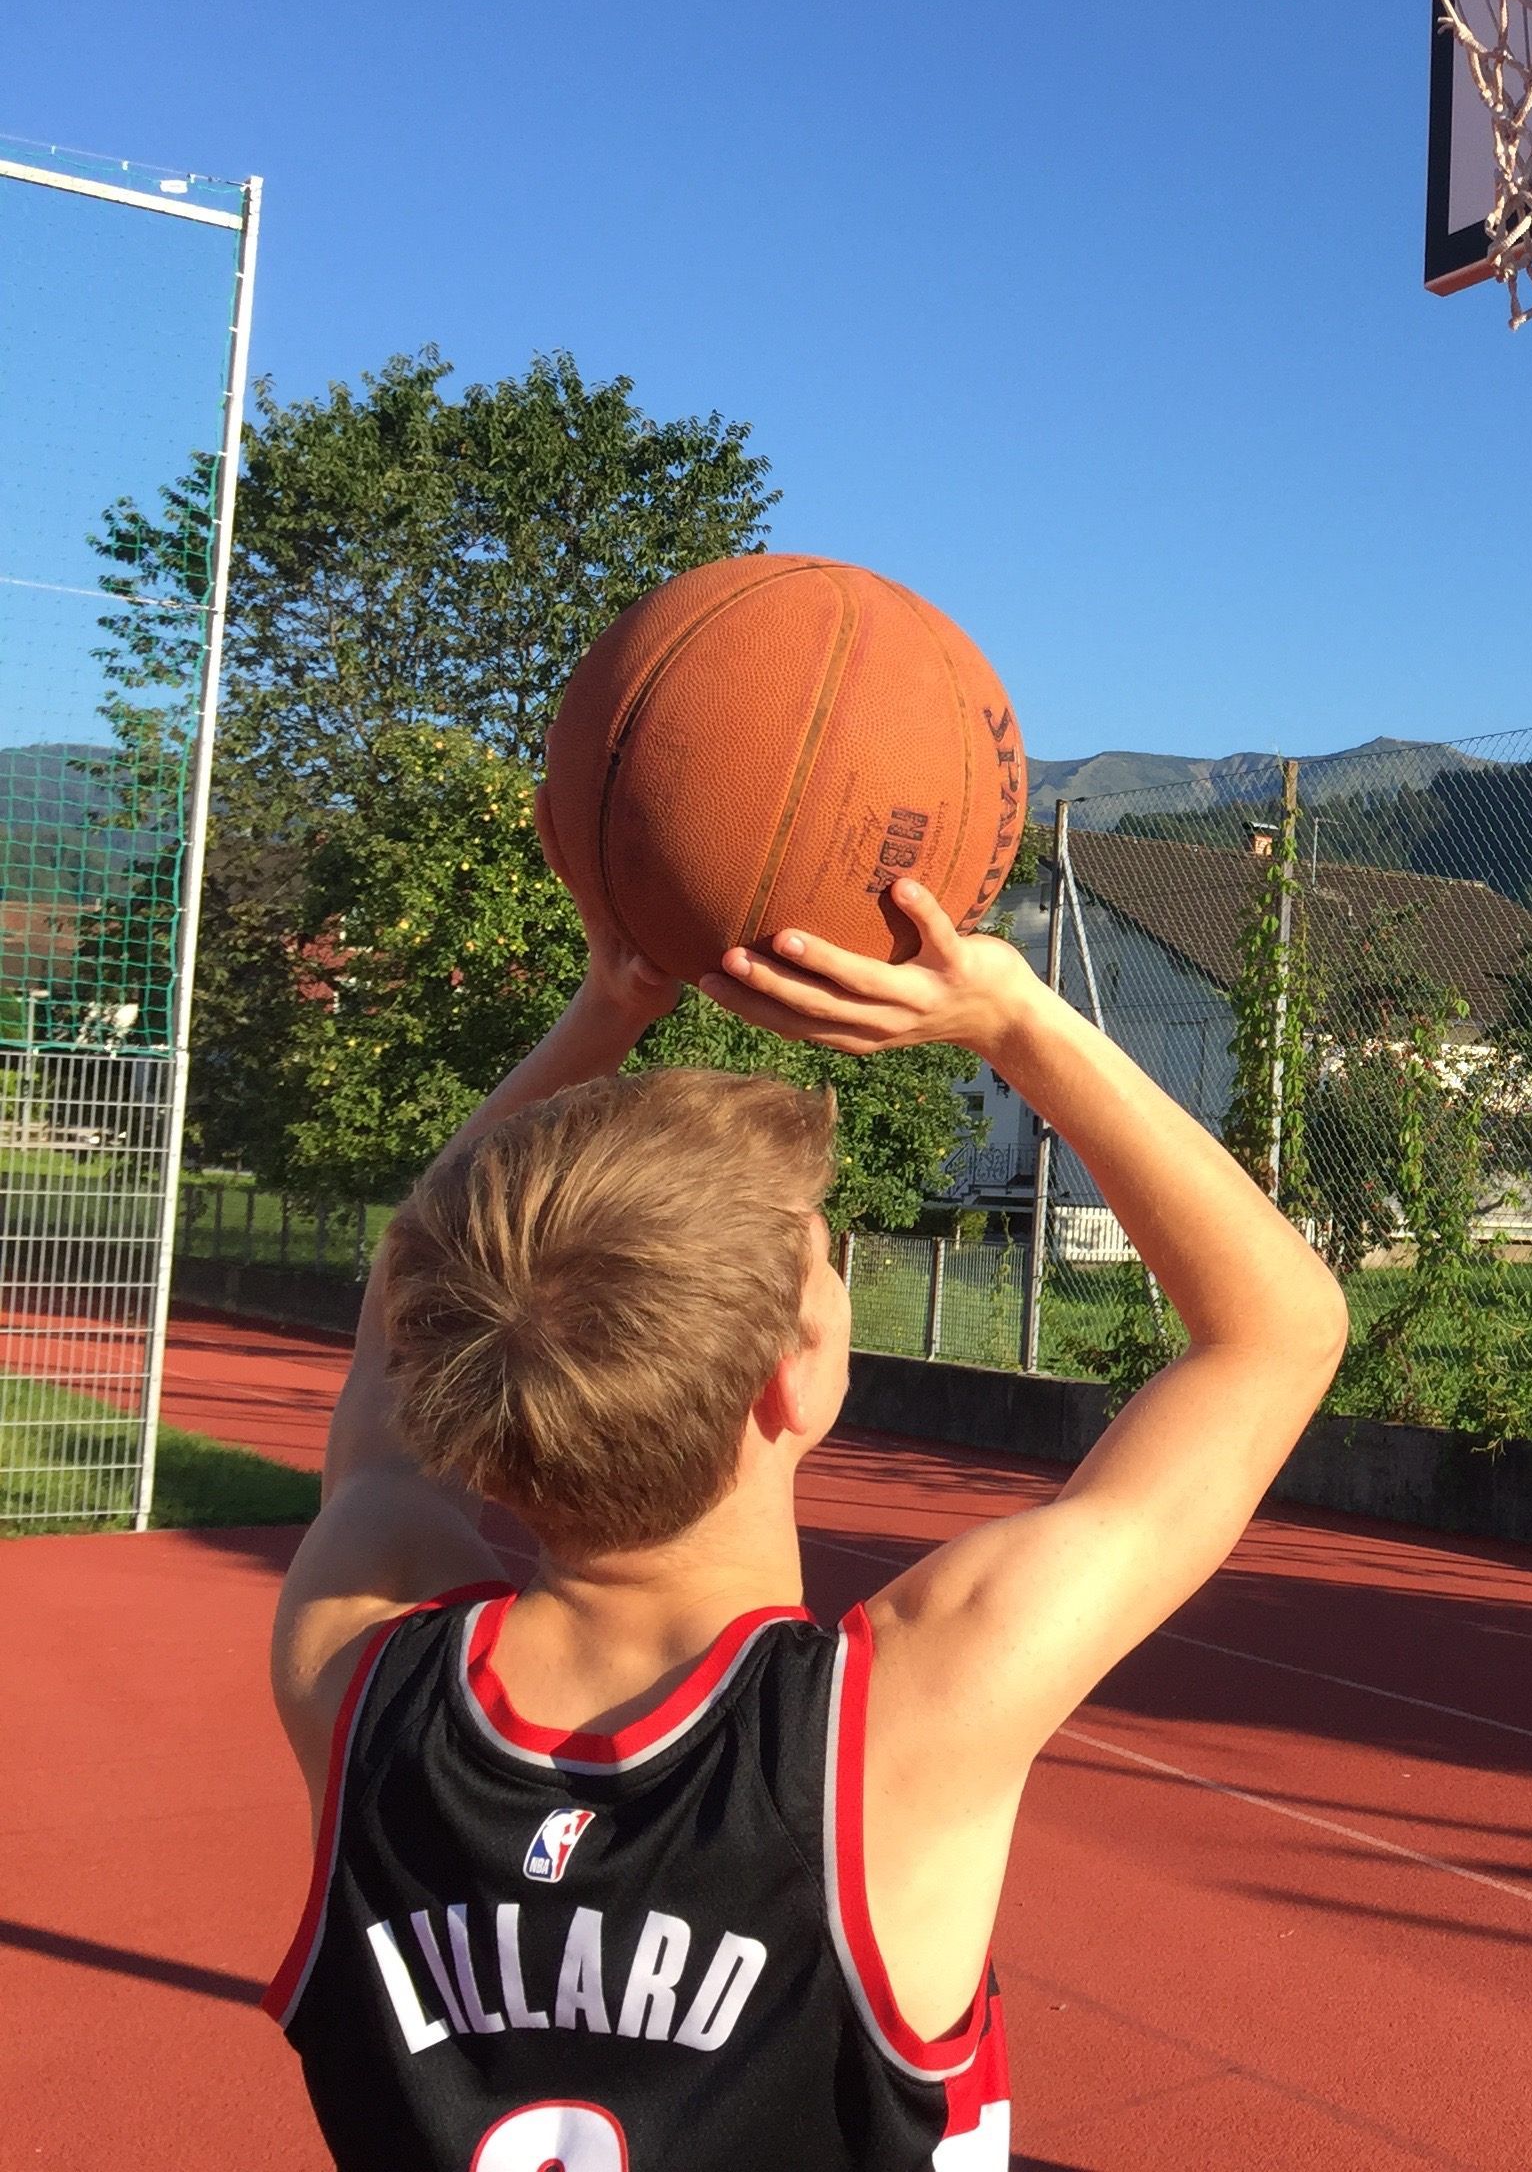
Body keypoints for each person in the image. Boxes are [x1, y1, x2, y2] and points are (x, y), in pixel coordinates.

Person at [259, 870, 1347, 2169]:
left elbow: (405, 1300)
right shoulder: (884, 1734)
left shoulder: (356, 1670)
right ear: (804, 1371)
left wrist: (601, 1020)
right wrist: (1015, 1020)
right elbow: (1279, 1333)